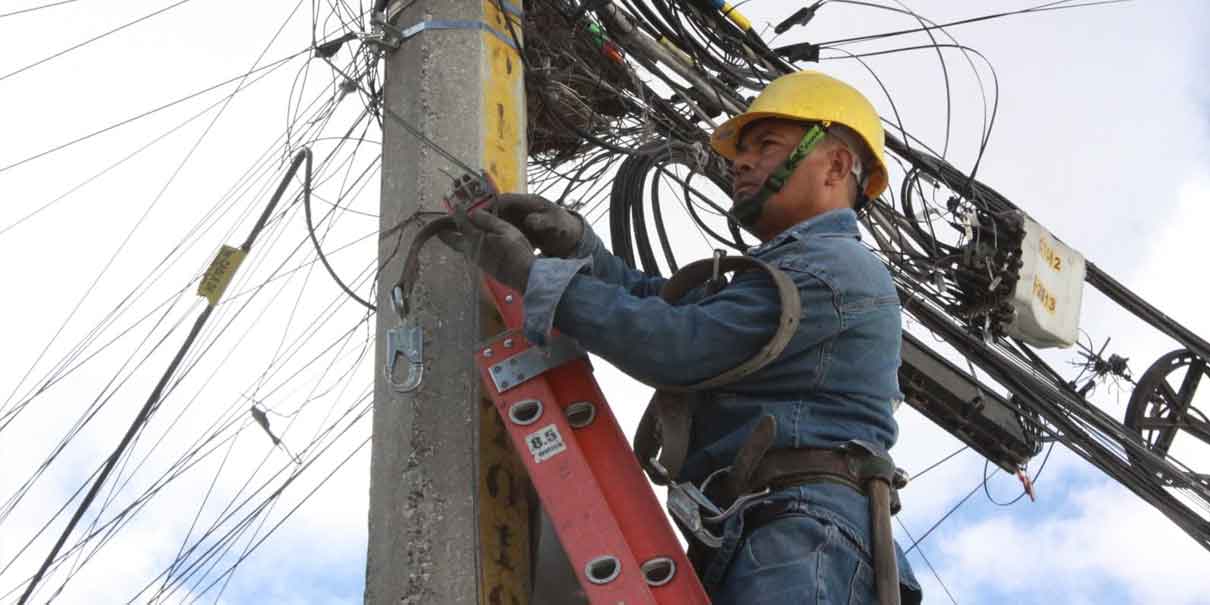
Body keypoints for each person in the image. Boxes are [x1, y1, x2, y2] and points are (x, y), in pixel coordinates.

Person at [440, 70, 922, 605]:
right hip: (767, 529)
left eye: (766, 146)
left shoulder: (836, 271)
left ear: (834, 164)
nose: (740, 162)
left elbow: (678, 342)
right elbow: (663, 303)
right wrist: (578, 248)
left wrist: (533, 277)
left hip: (805, 535)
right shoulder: (787, 272)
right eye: (743, 151)